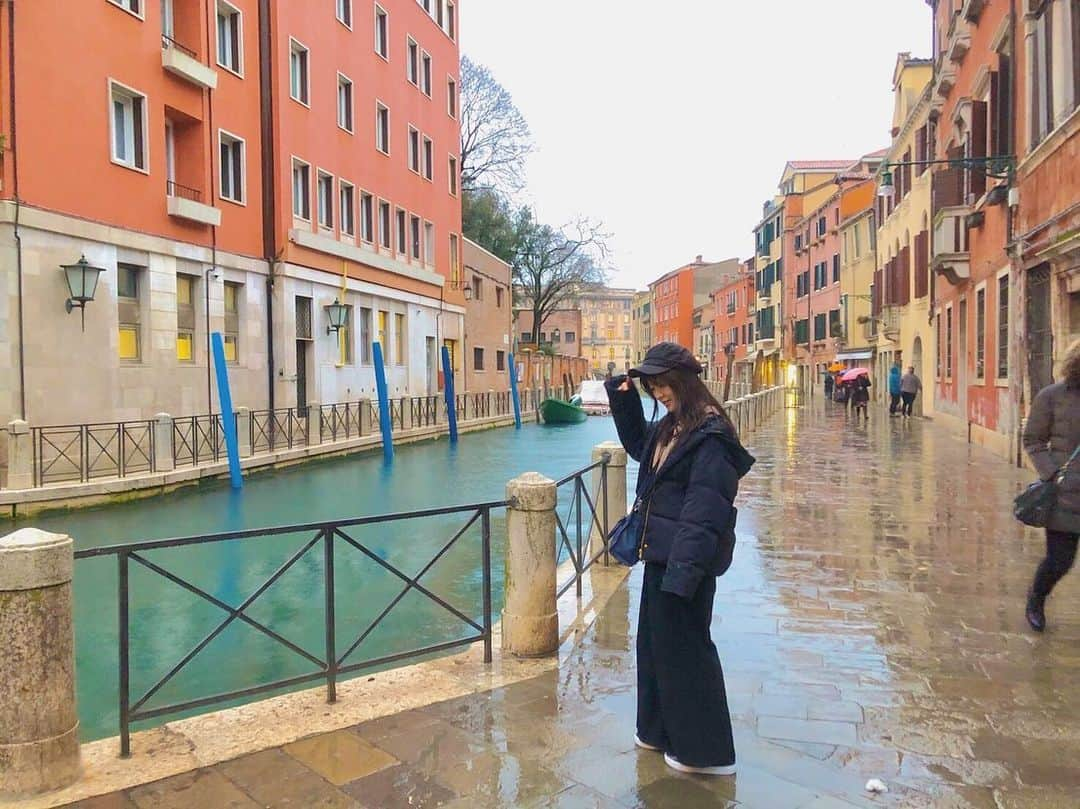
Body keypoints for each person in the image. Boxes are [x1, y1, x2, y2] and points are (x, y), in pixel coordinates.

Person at [604, 342, 754, 776]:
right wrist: (624, 394)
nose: (658, 392)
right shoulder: (674, 426)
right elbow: (638, 446)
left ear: (684, 382)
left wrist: (685, 573)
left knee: (687, 652)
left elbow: (704, 512)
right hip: (660, 554)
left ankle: (704, 753)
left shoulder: (711, 436)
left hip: (686, 561)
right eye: (651, 386)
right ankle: (657, 731)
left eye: (662, 384)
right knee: (655, 648)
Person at [1023, 340, 1080, 632]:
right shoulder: (1052, 396)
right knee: (1060, 561)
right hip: (1065, 495)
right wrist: (1052, 473)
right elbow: (1032, 439)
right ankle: (1036, 598)